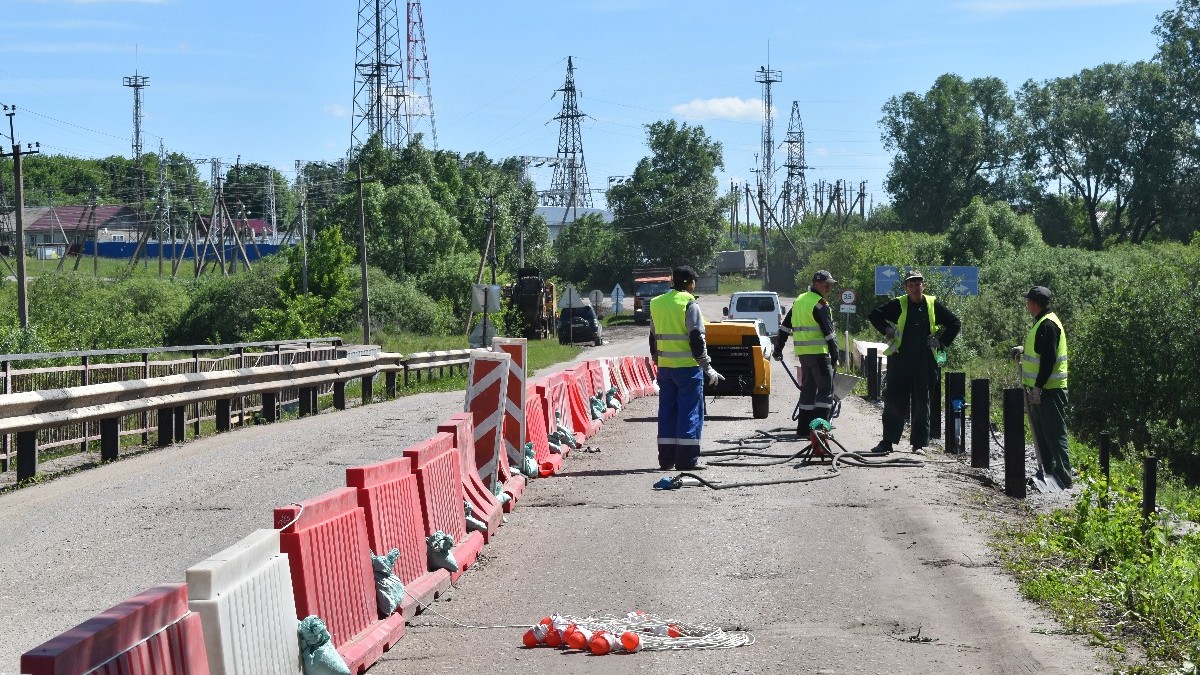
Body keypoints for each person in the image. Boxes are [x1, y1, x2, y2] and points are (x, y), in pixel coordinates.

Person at [867, 270, 961, 454]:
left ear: (923, 285)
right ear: (906, 288)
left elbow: (955, 323)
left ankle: (919, 444)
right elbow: (874, 315)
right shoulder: (899, 304)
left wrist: (941, 342)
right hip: (901, 359)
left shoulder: (933, 305)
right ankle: (887, 442)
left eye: (918, 284)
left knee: (922, 402)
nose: (915, 287)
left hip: (925, 362)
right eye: (911, 284)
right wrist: (887, 329)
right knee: (894, 399)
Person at [648, 266, 723, 471]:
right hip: (688, 370)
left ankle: (666, 459)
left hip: (666, 369)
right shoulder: (689, 304)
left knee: (667, 413)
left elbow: (653, 338)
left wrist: (657, 361)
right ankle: (686, 461)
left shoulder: (657, 303)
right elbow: (696, 338)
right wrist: (707, 367)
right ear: (690, 283)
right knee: (689, 412)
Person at [1011, 286, 1072, 488]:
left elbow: (1048, 359)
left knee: (1054, 433)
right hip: (1043, 389)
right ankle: (1049, 472)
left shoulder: (1047, 325)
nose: (1027, 304)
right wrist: (1023, 349)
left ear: (1035, 303)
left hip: (1050, 390)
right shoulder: (1042, 323)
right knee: (1043, 433)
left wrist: (1038, 387)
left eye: (1028, 300)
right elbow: (1040, 350)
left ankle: (1064, 477)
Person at [773, 270, 841, 436]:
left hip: (804, 356)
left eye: (830, 285)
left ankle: (803, 429)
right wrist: (835, 356)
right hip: (819, 354)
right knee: (826, 391)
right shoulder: (820, 304)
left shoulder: (799, 301)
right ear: (817, 283)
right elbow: (829, 334)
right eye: (827, 285)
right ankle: (818, 431)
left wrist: (778, 349)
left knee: (808, 391)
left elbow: (784, 327)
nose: (829, 288)